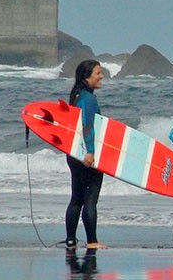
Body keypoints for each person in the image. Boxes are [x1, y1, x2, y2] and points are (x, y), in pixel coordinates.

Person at [65, 60, 108, 249]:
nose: (101, 76)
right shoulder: (88, 99)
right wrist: (90, 152)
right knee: (90, 198)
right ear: (86, 77)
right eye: (98, 73)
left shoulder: (77, 96)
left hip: (74, 154)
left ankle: (71, 241)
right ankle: (92, 241)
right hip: (85, 156)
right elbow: (87, 126)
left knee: (76, 199)